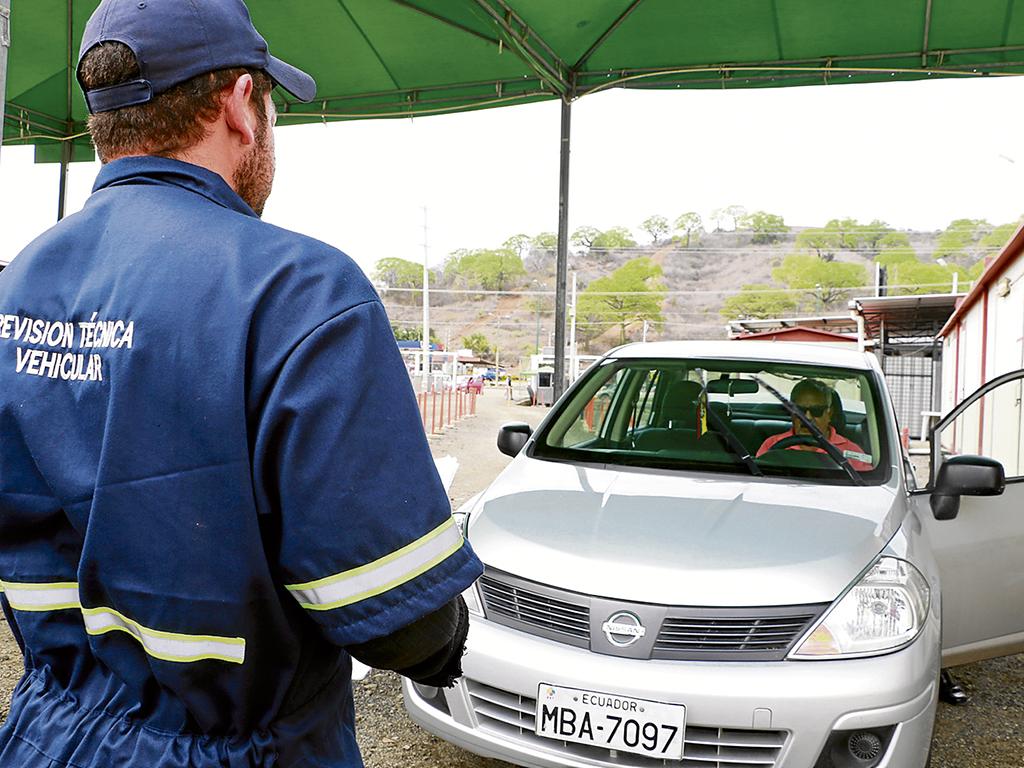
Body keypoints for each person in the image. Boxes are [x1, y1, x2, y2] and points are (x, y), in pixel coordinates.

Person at [0, 2, 482, 767]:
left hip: (43, 734)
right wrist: (447, 639)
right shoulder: (300, 291)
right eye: (269, 101)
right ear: (238, 103)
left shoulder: (16, 284)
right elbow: (402, 621)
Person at [756, 378, 873, 471]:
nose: (807, 418)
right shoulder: (771, 445)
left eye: (816, 411)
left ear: (829, 414)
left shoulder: (851, 451)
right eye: (800, 410)